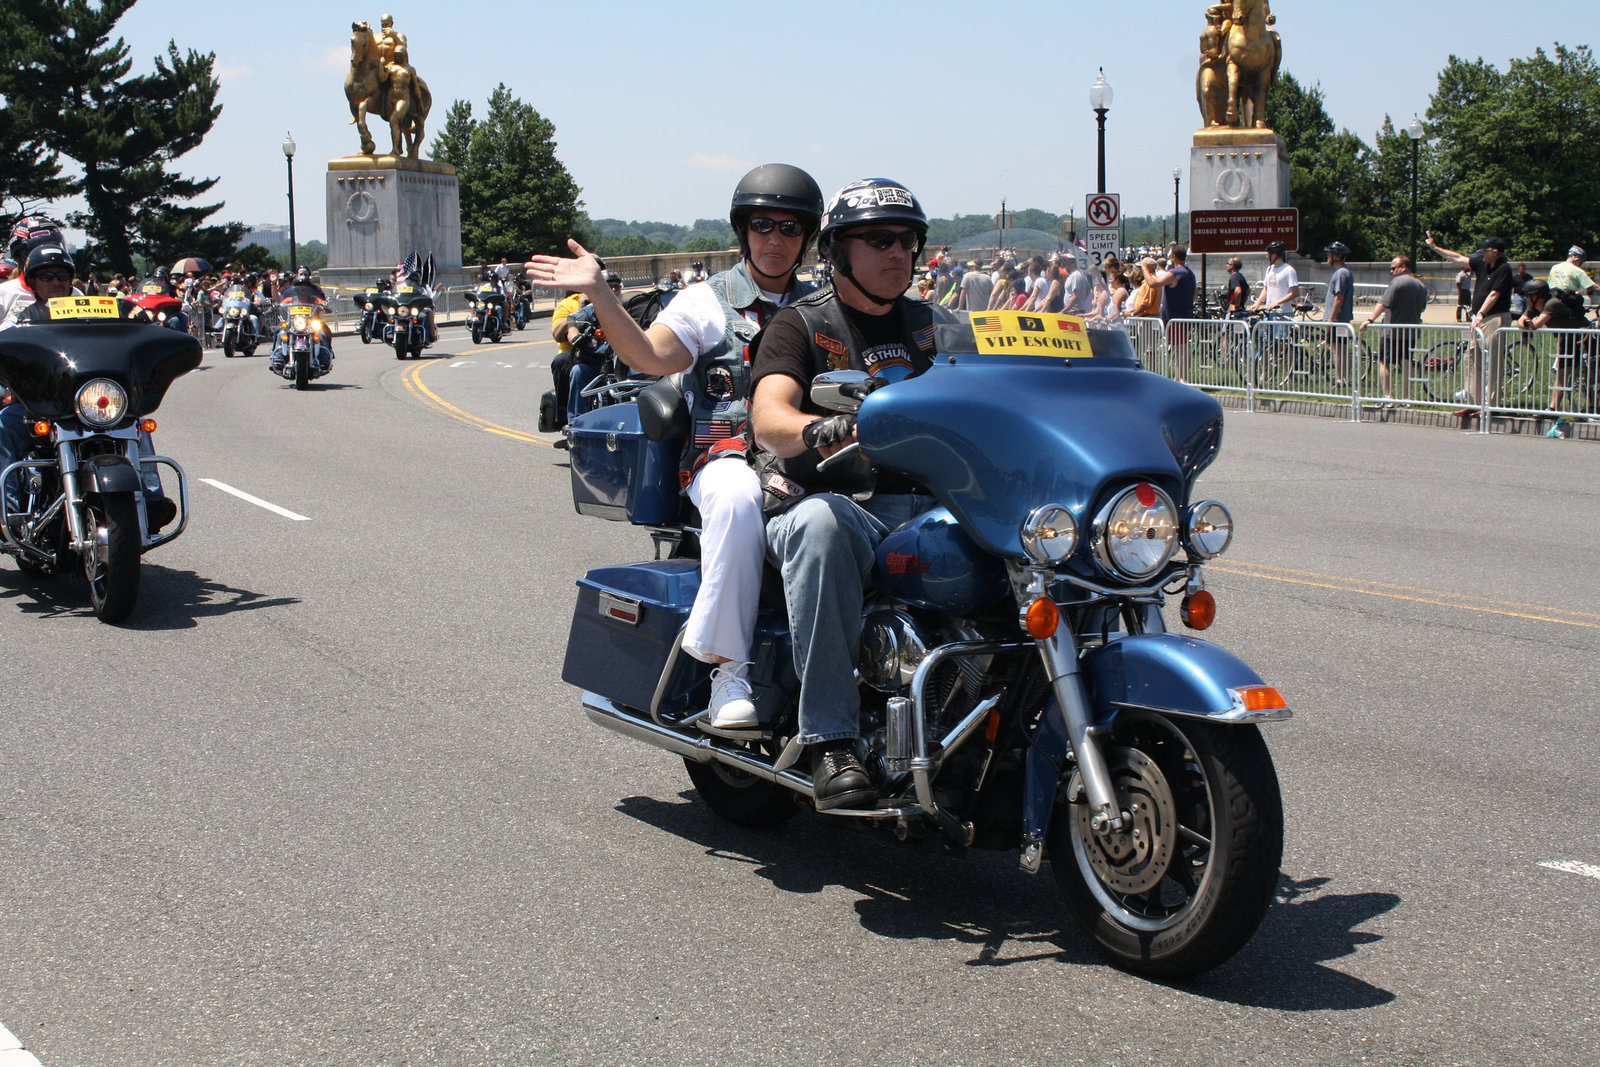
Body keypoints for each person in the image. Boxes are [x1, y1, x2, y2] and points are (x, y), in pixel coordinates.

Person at [528, 164, 825, 733]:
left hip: (806, 457)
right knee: (739, 498)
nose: (775, 239)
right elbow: (647, 355)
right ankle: (728, 674)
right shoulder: (707, 301)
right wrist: (598, 291)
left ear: (806, 237)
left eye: (790, 228)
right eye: (763, 225)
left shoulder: (823, 303)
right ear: (744, 230)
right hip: (728, 459)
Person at [748, 177, 941, 810]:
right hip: (836, 506)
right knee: (821, 527)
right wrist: (821, 426)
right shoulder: (800, 325)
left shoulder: (939, 327)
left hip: (931, 508)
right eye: (879, 239)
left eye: (908, 240)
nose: (898, 254)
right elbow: (769, 417)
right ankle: (830, 740)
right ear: (837, 252)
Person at [1427, 232, 1513, 406]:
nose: (1482, 252)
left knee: (1493, 361)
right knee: (1470, 357)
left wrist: (1480, 314)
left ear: (1495, 252)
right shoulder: (1482, 264)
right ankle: (1472, 402)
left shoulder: (1504, 268)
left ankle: (1491, 405)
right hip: (1479, 319)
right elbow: (1458, 258)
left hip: (1494, 318)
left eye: (1485, 250)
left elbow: (1494, 294)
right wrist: (1434, 247)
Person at [1517, 278, 1591, 416]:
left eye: (1527, 296)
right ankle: (1553, 408)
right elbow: (1521, 321)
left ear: (1535, 296)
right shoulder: (1535, 306)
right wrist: (1525, 323)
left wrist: (1528, 324)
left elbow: (1536, 325)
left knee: (1569, 373)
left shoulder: (1552, 303)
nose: (1526, 299)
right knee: (1562, 373)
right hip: (1566, 338)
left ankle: (1556, 408)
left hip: (1580, 337)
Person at [1359, 255, 1429, 401]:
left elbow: (1383, 303)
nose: (1392, 272)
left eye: (1394, 268)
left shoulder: (1397, 282)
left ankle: (1387, 396)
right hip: (1411, 331)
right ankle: (1406, 397)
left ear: (1404, 267)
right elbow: (1422, 309)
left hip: (1392, 331)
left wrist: (1370, 319)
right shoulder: (1421, 285)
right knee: (1406, 361)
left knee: (1384, 362)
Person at [1145, 245, 1196, 381]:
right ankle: (1179, 377)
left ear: (1173, 256)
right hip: (1185, 314)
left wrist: (1145, 268)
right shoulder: (1190, 273)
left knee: (1181, 349)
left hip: (1176, 316)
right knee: (1180, 348)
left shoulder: (1176, 273)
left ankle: (1182, 379)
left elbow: (1154, 283)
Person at [1322, 241, 1355, 387]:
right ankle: (1343, 378)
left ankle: (1341, 379)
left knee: (1337, 349)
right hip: (1340, 318)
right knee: (1340, 348)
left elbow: (1339, 297)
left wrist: (1331, 318)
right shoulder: (1342, 272)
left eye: (1329, 254)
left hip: (1338, 318)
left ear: (1336, 256)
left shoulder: (1341, 273)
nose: (1328, 257)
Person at [1249, 240, 1299, 315]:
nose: (1267, 256)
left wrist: (1277, 302)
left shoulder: (1289, 270)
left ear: (1276, 254)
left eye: (1269, 254)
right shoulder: (1270, 269)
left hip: (1283, 312)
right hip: (1270, 312)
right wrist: (1257, 303)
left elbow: (1295, 293)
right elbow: (1266, 288)